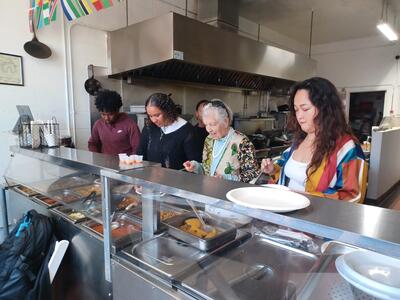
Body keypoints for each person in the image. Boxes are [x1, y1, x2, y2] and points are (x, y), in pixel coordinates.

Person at [261, 77, 365, 201]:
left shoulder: (347, 148)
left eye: (305, 109)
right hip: (286, 215)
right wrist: (273, 169)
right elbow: (285, 171)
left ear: (325, 109)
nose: (299, 116)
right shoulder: (299, 141)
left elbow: (353, 195)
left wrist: (309, 198)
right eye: (296, 109)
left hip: (316, 218)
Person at [183, 99, 259, 183]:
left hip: (230, 193)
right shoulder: (209, 140)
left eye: (212, 124)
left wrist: (226, 178)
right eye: (206, 125)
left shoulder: (242, 142)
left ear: (225, 121)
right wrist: (195, 166)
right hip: (210, 191)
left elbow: (253, 175)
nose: (208, 129)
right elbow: (207, 170)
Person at [137, 93, 201, 169]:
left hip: (177, 178)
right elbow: (141, 154)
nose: (154, 120)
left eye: (157, 115)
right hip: (151, 177)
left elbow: (195, 164)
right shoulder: (149, 127)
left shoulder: (187, 131)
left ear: (168, 111)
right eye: (150, 116)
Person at [88, 90, 140, 155]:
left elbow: (137, 149)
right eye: (103, 114)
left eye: (110, 114)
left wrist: (130, 162)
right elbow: (92, 143)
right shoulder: (98, 124)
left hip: (125, 163)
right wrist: (98, 157)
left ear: (117, 110)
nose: (106, 118)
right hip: (104, 163)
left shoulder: (130, 125)